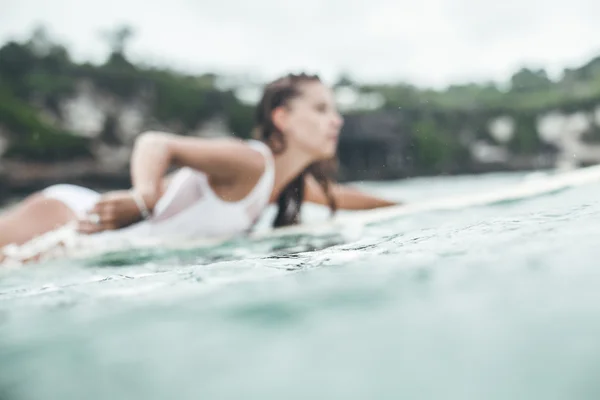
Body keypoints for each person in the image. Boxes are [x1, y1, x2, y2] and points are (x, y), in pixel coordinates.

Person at [0, 73, 399, 263]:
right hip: (70, 216)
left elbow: (345, 198)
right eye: (321, 109)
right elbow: (156, 142)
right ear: (283, 118)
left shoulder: (286, 182)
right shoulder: (250, 161)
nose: (337, 120)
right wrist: (144, 198)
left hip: (95, 239)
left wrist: (407, 209)